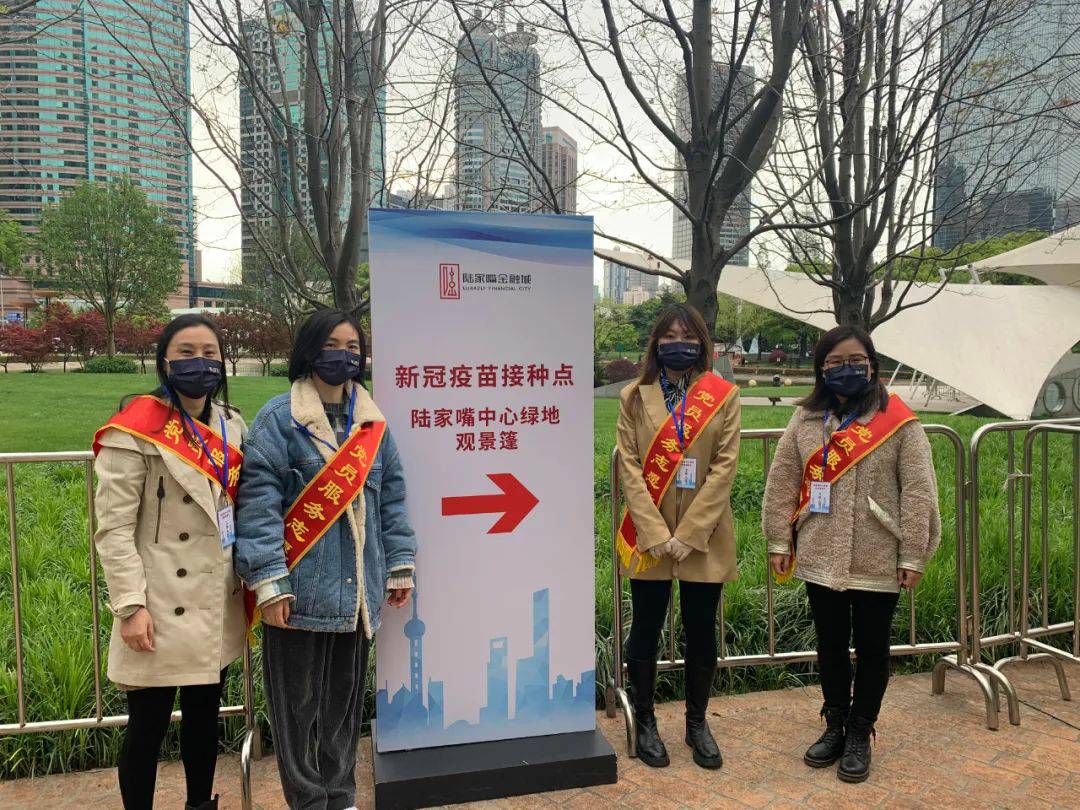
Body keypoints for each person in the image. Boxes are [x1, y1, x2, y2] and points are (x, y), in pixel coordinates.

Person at [234, 309, 416, 810]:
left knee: (342, 709)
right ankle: (309, 802)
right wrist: (269, 582)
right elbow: (258, 508)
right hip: (298, 594)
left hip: (357, 595)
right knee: (296, 712)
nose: (344, 355)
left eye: (352, 347)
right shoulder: (278, 420)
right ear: (309, 351)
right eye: (332, 345)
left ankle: (341, 796)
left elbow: (392, 498)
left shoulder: (372, 425)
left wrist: (399, 564)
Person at [762, 325, 941, 783]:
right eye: (835, 363)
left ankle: (861, 731)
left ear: (872, 365)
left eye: (855, 361)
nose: (846, 369)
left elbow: (918, 490)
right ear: (822, 369)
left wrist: (913, 553)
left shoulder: (898, 421)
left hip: (878, 554)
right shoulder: (805, 420)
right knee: (830, 645)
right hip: (820, 551)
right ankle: (835, 723)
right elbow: (783, 479)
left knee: (873, 648)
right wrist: (779, 539)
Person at [92, 314, 247, 810]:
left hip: (212, 600)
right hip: (157, 602)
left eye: (209, 353)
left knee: (204, 721)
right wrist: (130, 606)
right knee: (147, 728)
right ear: (164, 362)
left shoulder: (232, 425)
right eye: (186, 353)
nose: (199, 363)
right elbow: (114, 529)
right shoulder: (134, 430)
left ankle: (201, 805)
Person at [614, 303, 741, 770]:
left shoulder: (723, 395)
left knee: (701, 630)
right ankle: (646, 720)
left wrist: (689, 534)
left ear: (702, 343)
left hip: (704, 535)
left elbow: (725, 466)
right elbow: (629, 466)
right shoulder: (634, 396)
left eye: (688, 336)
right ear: (656, 343)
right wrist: (653, 532)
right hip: (648, 533)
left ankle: (697, 723)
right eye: (669, 336)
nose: (678, 344)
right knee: (646, 628)